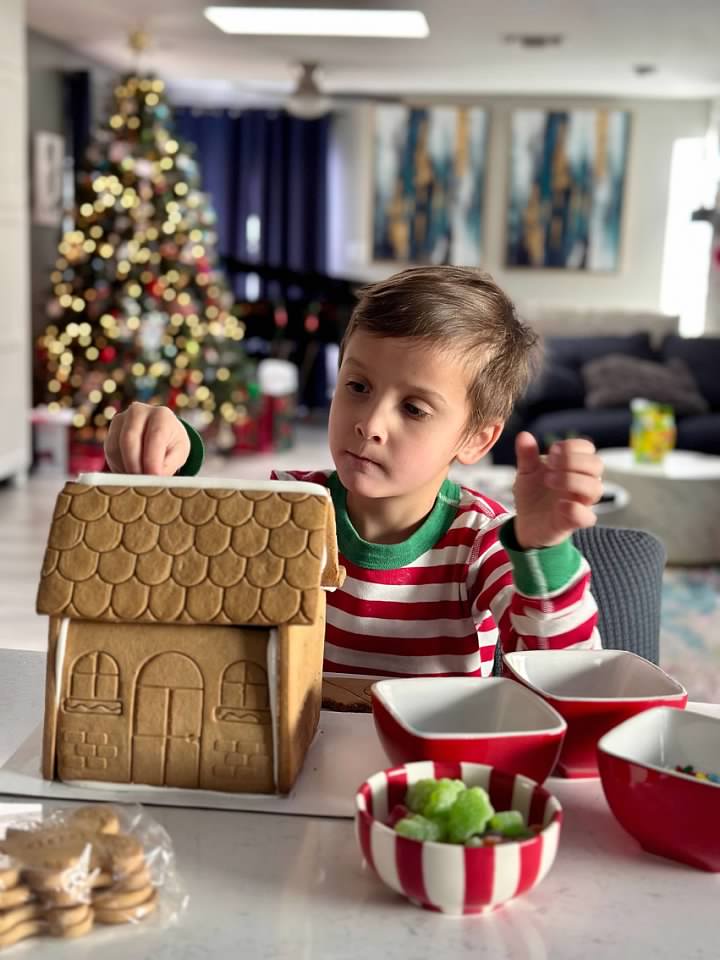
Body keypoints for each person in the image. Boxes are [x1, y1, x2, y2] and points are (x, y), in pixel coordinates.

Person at [104, 266, 604, 677]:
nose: (370, 424)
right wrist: (166, 457)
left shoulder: (480, 542)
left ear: (475, 439)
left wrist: (542, 550)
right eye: (358, 387)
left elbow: (562, 674)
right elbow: (175, 558)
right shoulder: (286, 506)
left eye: (414, 409)